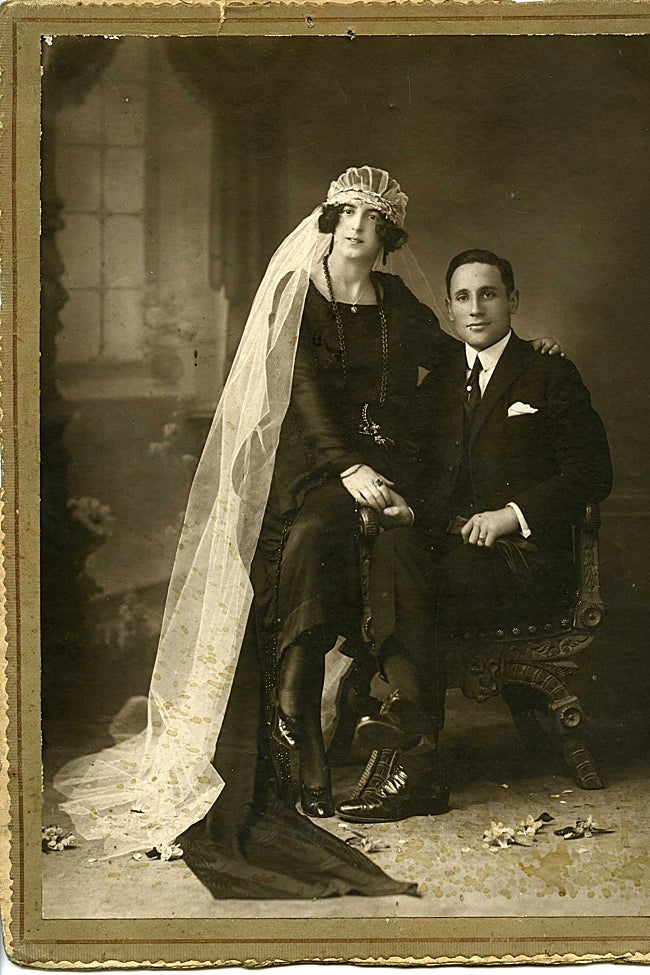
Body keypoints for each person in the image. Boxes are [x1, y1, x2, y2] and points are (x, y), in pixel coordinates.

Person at [56, 178, 561, 900]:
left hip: (372, 459)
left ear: (388, 237)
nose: (358, 227)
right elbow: (304, 396)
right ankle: (298, 709)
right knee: (320, 528)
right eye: (349, 213)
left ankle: (327, 715)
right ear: (331, 219)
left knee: (382, 527)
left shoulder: (394, 303)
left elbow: (455, 359)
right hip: (308, 457)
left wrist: (513, 356)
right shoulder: (300, 290)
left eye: (374, 219)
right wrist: (350, 464)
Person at [335, 248, 612, 825]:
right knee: (393, 544)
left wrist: (512, 514)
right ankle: (422, 750)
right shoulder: (438, 384)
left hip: (524, 557)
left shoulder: (547, 371)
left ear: (513, 300)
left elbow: (591, 473)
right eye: (463, 297)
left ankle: (412, 748)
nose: (477, 308)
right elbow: (417, 470)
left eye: (489, 294)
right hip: (455, 551)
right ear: (448, 308)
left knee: (423, 579)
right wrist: (406, 508)